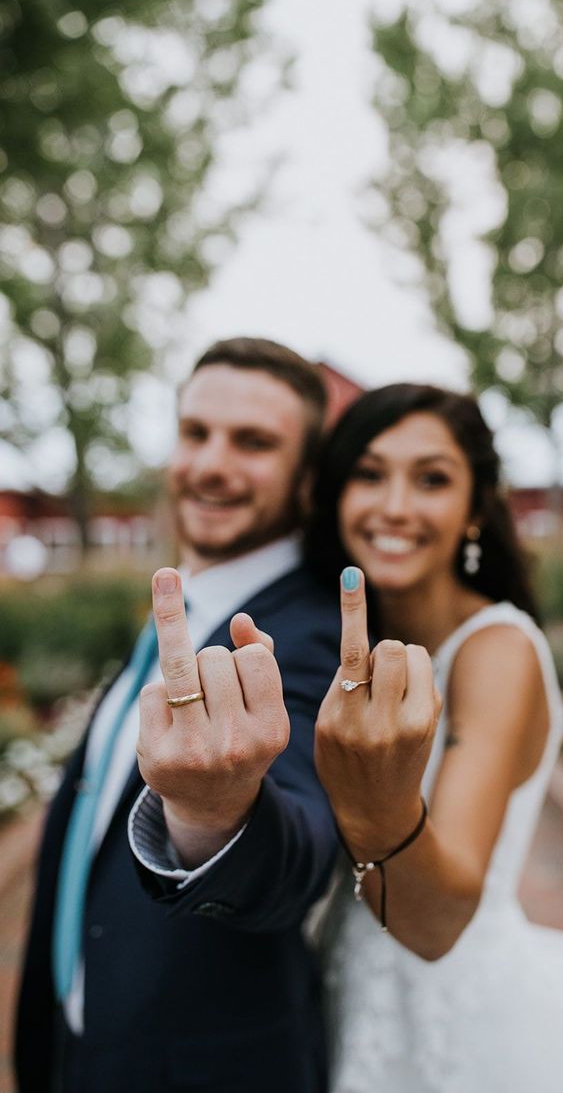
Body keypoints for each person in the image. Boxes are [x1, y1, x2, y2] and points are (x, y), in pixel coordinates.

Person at [305, 382, 563, 1093]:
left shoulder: (496, 649)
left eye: (432, 479)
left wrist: (368, 801)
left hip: (455, 1015)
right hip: (356, 983)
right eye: (370, 473)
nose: (395, 505)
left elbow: (439, 925)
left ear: (475, 511)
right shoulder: (359, 640)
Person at [15, 338, 342, 1093]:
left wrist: (216, 814)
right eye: (196, 432)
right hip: (83, 1031)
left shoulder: (309, 635)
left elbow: (299, 846)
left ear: (306, 477)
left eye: (254, 442)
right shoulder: (185, 601)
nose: (210, 463)